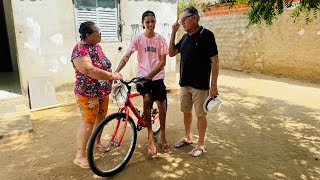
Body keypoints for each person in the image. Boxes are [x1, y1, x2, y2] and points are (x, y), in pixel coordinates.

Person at [115, 10, 170, 156]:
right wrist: (116, 71)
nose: (150, 24)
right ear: (142, 24)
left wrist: (149, 76)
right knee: (146, 101)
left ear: (155, 22)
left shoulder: (161, 40)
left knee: (161, 105)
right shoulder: (138, 39)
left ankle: (163, 136)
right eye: (147, 22)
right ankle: (150, 137)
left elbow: (163, 62)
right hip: (143, 78)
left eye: (153, 21)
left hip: (157, 78)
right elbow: (127, 56)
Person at [169, 6, 219, 157]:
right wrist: (173, 32)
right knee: (186, 112)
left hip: (200, 85)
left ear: (195, 18)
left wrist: (213, 86)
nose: (182, 22)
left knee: (200, 115)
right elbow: (171, 53)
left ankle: (201, 144)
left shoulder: (207, 35)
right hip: (185, 83)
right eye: (181, 19)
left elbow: (215, 61)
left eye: (184, 19)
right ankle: (188, 137)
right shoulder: (184, 37)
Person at [71, 21, 123, 168]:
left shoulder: (96, 47)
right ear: (88, 35)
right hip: (88, 95)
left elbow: (102, 65)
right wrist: (111, 76)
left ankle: (96, 142)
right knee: (88, 123)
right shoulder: (79, 50)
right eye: (97, 32)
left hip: (102, 92)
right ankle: (80, 156)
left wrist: (110, 78)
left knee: (100, 119)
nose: (100, 34)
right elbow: (89, 70)